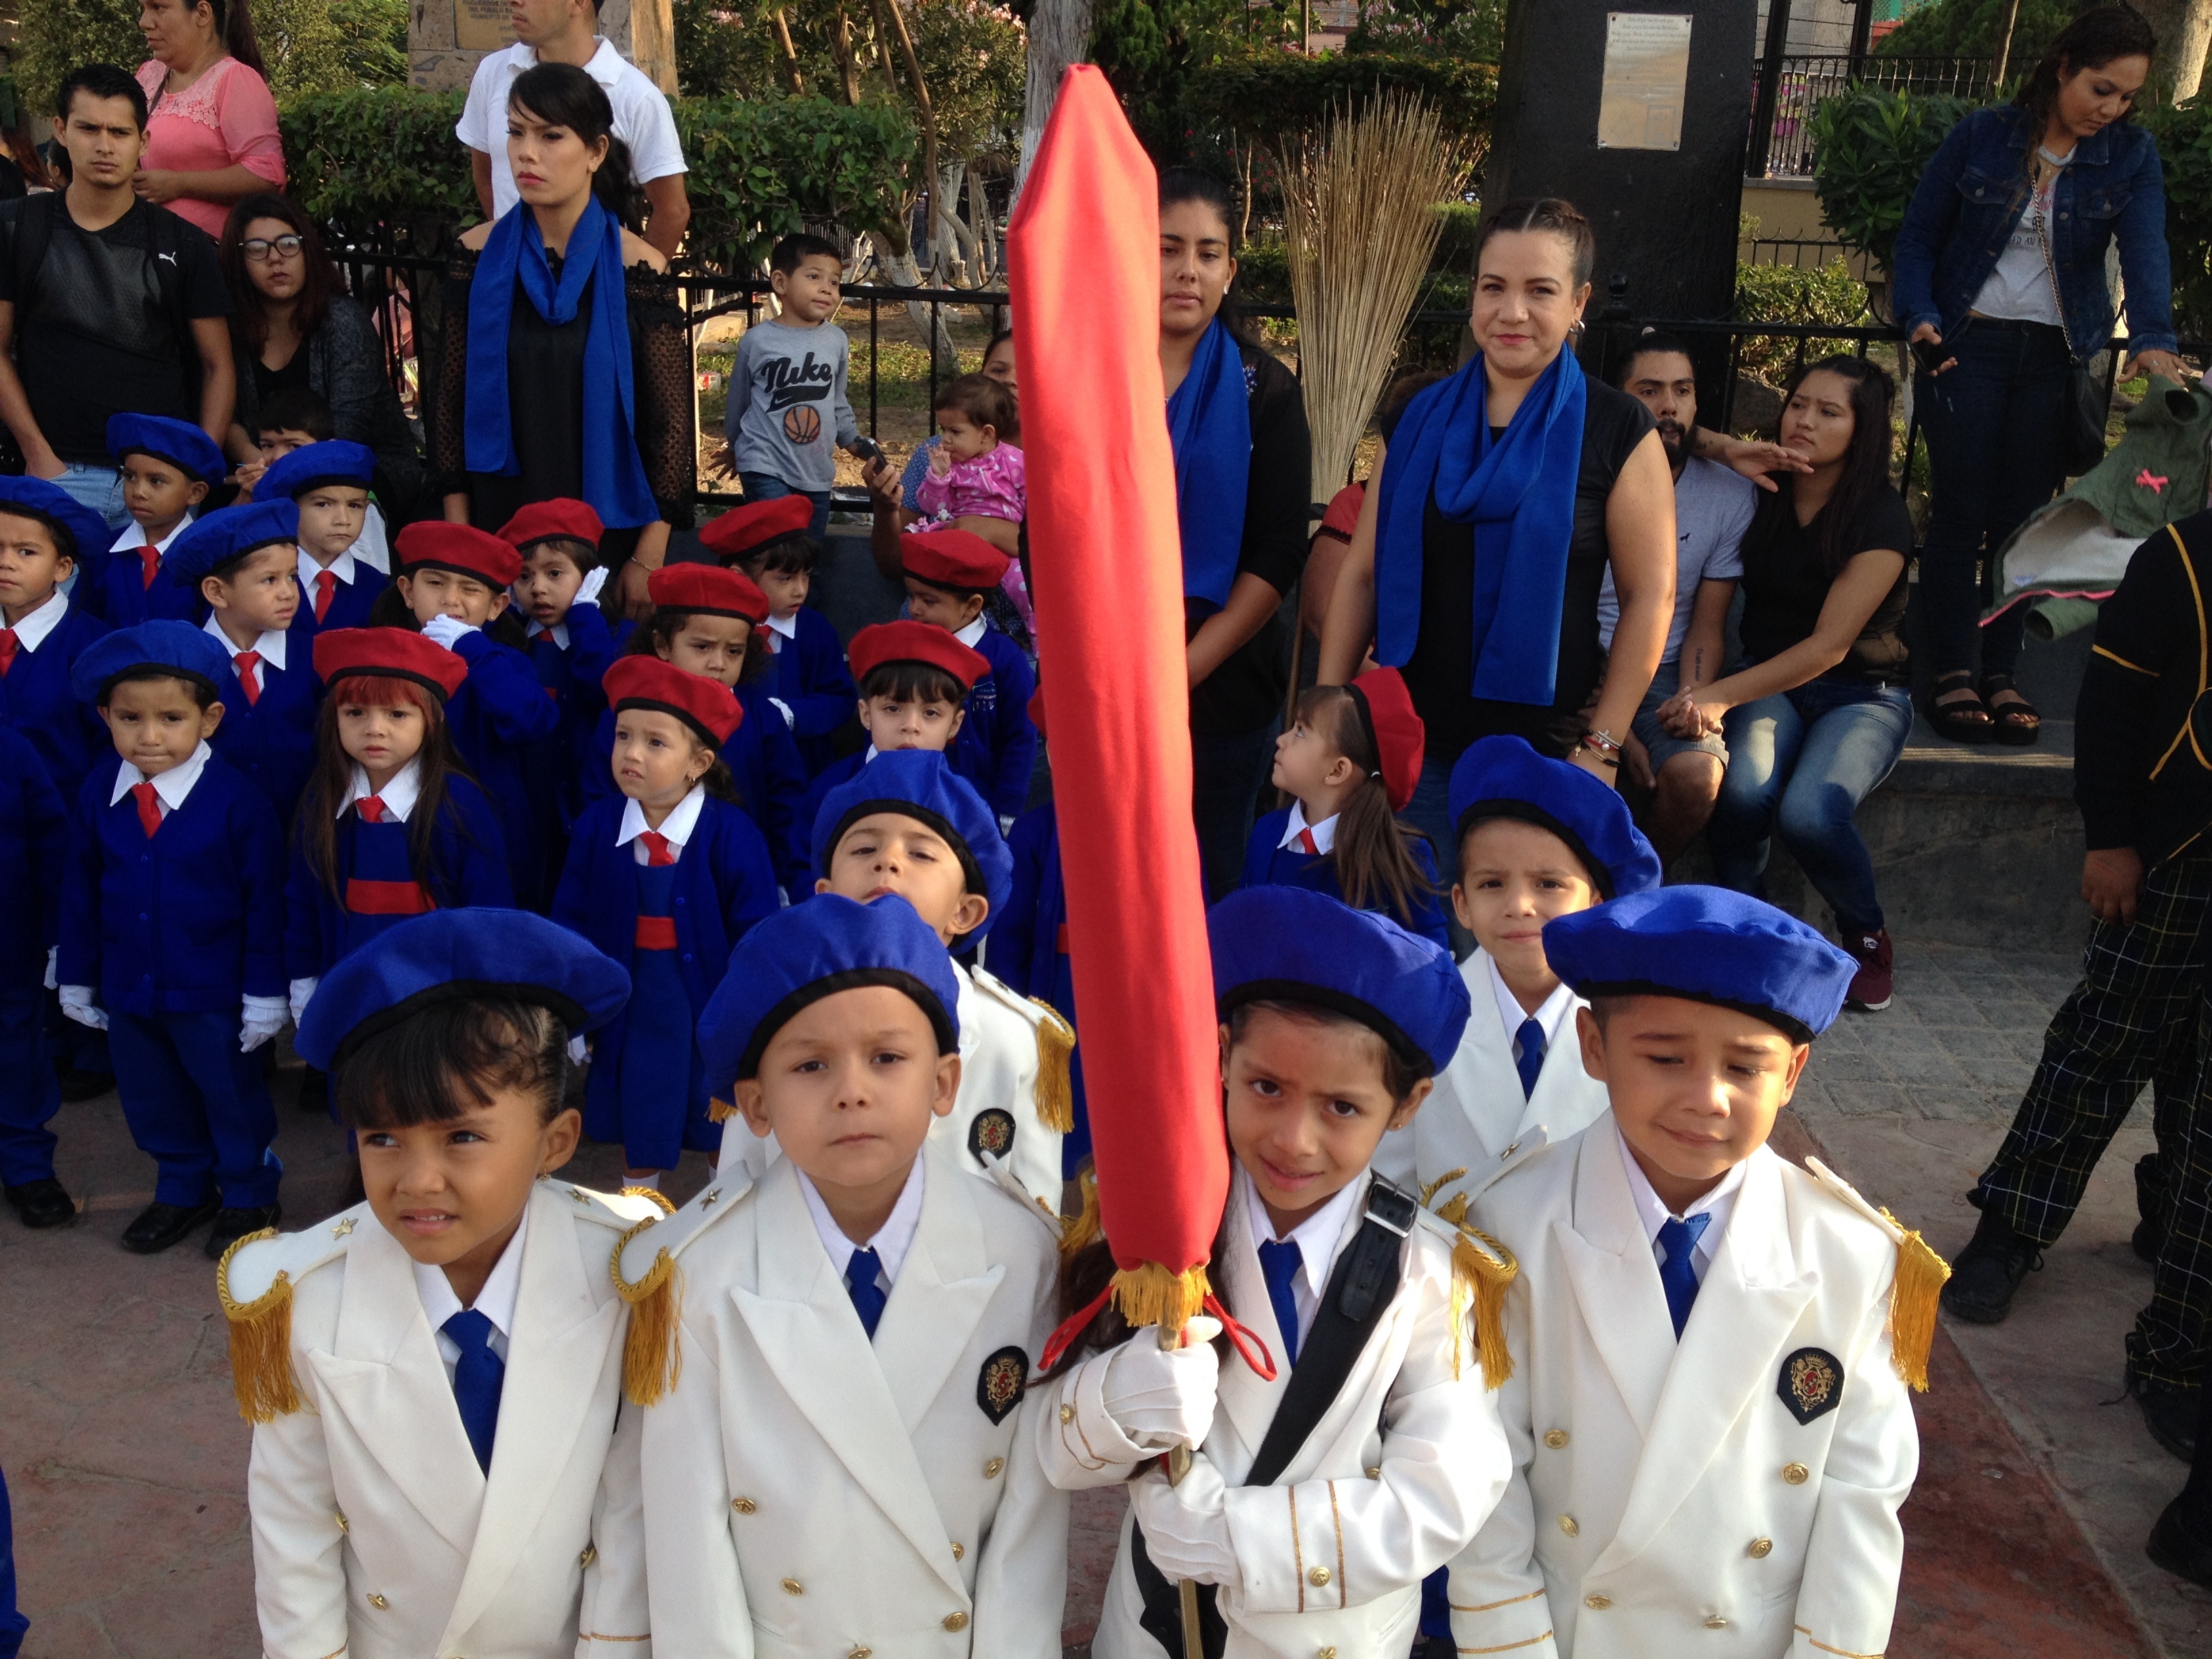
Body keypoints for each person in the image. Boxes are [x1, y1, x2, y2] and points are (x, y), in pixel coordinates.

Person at [1447, 886, 1933, 1658]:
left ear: (1795, 1073)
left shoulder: (1852, 1255)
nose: (1706, 1097)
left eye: (1746, 1066)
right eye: (1665, 1057)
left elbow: (1862, 1491)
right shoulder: (1513, 1227)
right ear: (1594, 1047)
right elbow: (1484, 1471)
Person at [1037, 884, 1512, 1658]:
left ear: (1407, 1104)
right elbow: (1051, 1446)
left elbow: (1446, 1487)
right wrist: (1116, 1398)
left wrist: (1243, 1542)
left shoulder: (1430, 1272)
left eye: (1341, 1108)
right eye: (1267, 1089)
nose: (1294, 1140)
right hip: (1157, 1631)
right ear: (1221, 1056)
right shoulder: (1155, 1233)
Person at [615, 892, 1069, 1652]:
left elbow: (1029, 1527)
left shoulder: (1022, 1253)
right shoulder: (693, 1272)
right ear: (755, 1106)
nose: (852, 1090)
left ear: (945, 1084)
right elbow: (687, 1534)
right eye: (811, 1065)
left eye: (887, 1058)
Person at [221, 909, 660, 1657]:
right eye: (383, 1138)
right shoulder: (301, 1294)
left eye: (463, 1137)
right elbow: (293, 1522)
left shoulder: (625, 1274)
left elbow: (633, 1509)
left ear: (555, 1142)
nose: (418, 1181)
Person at [1946, 502, 2212, 1459]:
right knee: (2108, 1038)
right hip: (2178, 850)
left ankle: (2175, 1234)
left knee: (2204, 1090)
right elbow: (2113, 708)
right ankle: (2015, 1223)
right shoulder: (2184, 554)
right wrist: (2111, 839)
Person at [1319, 198, 1675, 853]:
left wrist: (1602, 747)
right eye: (1493, 288)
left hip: (1546, 756)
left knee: (1518, 949)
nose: (1512, 313)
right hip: (1409, 746)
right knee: (1411, 941)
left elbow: (1650, 597)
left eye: (1540, 290)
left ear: (1579, 302)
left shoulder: (1617, 428)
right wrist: (1327, 717)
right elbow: (1363, 574)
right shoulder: (1417, 420)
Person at [1893, 4, 2187, 747]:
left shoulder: (2130, 155)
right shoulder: (1984, 136)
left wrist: (2153, 337)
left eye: (2125, 96)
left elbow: (2146, 248)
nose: (2110, 109)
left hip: (2056, 357)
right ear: (2062, 66)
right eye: (2099, 88)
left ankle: (2003, 672)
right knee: (1962, 512)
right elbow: (1920, 237)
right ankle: (1954, 671)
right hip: (1967, 346)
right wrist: (1919, 313)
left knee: (2027, 523)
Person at [1658, 356, 1915, 1012]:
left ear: (1863, 431)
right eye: (1798, 403)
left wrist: (1717, 696)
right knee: (1741, 791)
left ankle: (1865, 934)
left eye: (1829, 412)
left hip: (1862, 694)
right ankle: (1749, 919)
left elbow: (1830, 649)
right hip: (1768, 680)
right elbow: (1672, 433)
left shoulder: (1882, 521)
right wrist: (1735, 448)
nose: (1804, 420)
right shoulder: (1762, 487)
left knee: (1810, 810)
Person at [58, 621, 285, 1258]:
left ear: (209, 718)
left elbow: (266, 902)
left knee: (230, 1094)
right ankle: (183, 1187)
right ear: (105, 716)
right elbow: (80, 886)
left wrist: (266, 994)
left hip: (212, 990)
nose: (149, 736)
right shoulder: (101, 793)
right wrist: (76, 974)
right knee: (151, 1093)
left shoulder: (239, 802)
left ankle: (248, 1191)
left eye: (171, 718)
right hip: (131, 985)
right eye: (129, 717)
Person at [1373, 734, 1662, 1214]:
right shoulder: (1416, 1021)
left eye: (1548, 884)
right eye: (1492, 884)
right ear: (1461, 904)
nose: (1519, 907)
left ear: (1595, 905)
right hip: (1444, 1275)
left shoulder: (1633, 1028)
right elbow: (1389, 1179)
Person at [432, 63, 691, 588]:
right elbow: (448, 406)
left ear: (595, 151)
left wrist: (648, 556)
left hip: (607, 533)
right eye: (515, 132)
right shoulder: (474, 258)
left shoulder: (638, 270)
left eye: (551, 136)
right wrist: (461, 538)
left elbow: (670, 427)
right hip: (496, 526)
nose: (527, 153)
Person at [806, 748, 1071, 1212]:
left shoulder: (1012, 1038)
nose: (887, 862)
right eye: (865, 848)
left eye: (921, 853)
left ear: (965, 912)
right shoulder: (779, 1023)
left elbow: (1038, 1216)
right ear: (824, 896)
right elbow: (744, 1195)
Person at [1148, 169, 1314, 901]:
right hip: (1103, 680)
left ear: (1230, 271)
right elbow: (1047, 531)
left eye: (1209, 252)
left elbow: (1278, 550)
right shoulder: (1090, 379)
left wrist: (1178, 673)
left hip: (1220, 687)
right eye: (1168, 248)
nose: (1188, 269)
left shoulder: (1265, 390)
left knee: (1205, 891)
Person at [552, 656, 777, 1183]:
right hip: (632, 1007)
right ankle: (642, 1224)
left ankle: (721, 1212)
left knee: (718, 1113)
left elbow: (757, 935)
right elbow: (571, 922)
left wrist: (751, 1018)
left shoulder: (732, 834)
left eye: (655, 743)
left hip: (707, 1007)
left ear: (698, 762)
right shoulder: (596, 826)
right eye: (623, 736)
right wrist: (576, 1011)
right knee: (641, 1107)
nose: (631, 753)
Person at [283, 628, 514, 1105]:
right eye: (355, 713)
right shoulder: (321, 802)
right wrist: (306, 985)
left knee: (432, 1102)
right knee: (363, 1102)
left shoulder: (461, 805)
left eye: (396, 714)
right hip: (352, 993)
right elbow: (303, 903)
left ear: (432, 720)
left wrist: (482, 1004)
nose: (375, 728)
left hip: (436, 1000)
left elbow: (489, 915)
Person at [0, 64, 234, 526]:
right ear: (61, 131)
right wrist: (39, 458)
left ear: (143, 142)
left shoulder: (184, 243)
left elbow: (217, 365)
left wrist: (191, 472)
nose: (104, 145)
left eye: (120, 131)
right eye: (89, 128)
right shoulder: (17, 226)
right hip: (54, 476)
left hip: (160, 482)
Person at [1597, 333, 1755, 866]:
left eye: (1682, 391)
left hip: (1663, 666)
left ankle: (1634, 888)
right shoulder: (1584, 475)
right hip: (1578, 659)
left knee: (1697, 775)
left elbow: (1708, 623)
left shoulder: (1729, 495)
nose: (1669, 405)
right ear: (1618, 400)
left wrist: (1694, 698)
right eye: (1650, 390)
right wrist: (1604, 722)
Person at [589, 562, 811, 895]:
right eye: (702, 647)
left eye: (733, 651)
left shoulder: (764, 719)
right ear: (663, 646)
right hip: (636, 874)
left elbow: (789, 805)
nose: (718, 663)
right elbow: (598, 792)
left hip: (741, 878)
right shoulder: (625, 715)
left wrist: (781, 879)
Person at [219, 195, 424, 514]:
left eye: (288, 244)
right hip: (265, 469)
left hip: (361, 469)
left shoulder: (342, 320)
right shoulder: (232, 328)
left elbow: (347, 429)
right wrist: (261, 464)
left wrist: (282, 472)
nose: (275, 259)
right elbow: (230, 418)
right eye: (258, 249)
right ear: (239, 261)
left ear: (307, 251)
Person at [455, 0, 690, 258]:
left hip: (597, 278)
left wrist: (631, 281)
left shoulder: (636, 96)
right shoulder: (494, 72)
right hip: (510, 274)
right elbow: (485, 171)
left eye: (552, 135)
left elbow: (672, 210)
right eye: (516, 132)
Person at [1241, 666, 1452, 949]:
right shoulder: (1267, 832)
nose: (1281, 739)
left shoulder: (1402, 855)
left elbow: (1428, 956)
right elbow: (1244, 928)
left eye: (1300, 732)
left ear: (1338, 770)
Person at [167, 499, 314, 827]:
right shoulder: (180, 665)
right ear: (217, 592)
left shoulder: (316, 658)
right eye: (269, 580)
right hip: (211, 836)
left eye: (292, 576)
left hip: (304, 832)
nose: (288, 593)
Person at [500, 497, 618, 897]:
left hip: (581, 792)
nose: (539, 588)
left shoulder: (610, 636)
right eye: (524, 576)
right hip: (523, 795)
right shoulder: (508, 641)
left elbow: (602, 688)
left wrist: (585, 616)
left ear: (589, 578)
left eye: (554, 574)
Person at [993, 687, 1088, 1175]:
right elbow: (1009, 936)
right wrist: (1012, 1011)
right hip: (1055, 995)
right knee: (1053, 1116)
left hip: (1126, 1004)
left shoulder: (1162, 829)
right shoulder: (1035, 831)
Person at [720, 232, 864, 543]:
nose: (827, 288)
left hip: (816, 471)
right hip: (764, 463)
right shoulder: (757, 341)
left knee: (806, 557)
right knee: (778, 549)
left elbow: (836, 399)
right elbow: (739, 401)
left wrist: (852, 440)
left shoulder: (836, 340)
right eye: (814, 277)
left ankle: (801, 593)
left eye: (835, 282)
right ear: (781, 283)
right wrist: (736, 446)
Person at [699, 494, 855, 775]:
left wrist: (793, 715)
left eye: (806, 576)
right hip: (729, 766)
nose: (800, 590)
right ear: (739, 576)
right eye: (785, 579)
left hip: (801, 766)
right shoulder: (714, 628)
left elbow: (840, 698)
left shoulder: (815, 630)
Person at [0, 478, 116, 850]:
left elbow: (108, 753)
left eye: (26, 552)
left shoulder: (96, 647)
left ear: (63, 568)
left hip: (61, 837)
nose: (5, 563)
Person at [798, 619, 987, 839]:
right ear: (866, 714)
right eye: (893, 709)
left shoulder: (969, 800)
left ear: (955, 724)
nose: (910, 726)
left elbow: (988, 870)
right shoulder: (828, 789)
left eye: (931, 713)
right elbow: (803, 864)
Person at [900, 527, 1038, 827]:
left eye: (929, 600)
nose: (915, 609)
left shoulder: (1005, 659)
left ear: (973, 606)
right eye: (911, 597)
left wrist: (1007, 810)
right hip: (913, 800)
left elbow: (1021, 737)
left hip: (981, 809)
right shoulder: (904, 651)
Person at [131, 0, 283, 239]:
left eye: (158, 7)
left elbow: (267, 176)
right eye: (143, 9)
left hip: (209, 256)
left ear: (202, 14)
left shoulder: (235, 80)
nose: (144, 22)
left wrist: (179, 184)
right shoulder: (149, 75)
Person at [0, 726, 69, 1230]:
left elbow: (50, 842)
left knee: (15, 1047)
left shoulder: (11, 748)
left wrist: (53, 933)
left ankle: (26, 1165)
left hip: (8, 936)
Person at [92, 413, 222, 628]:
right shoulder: (104, 553)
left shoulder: (210, 560)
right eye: (130, 477)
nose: (139, 492)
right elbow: (88, 621)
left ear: (196, 493)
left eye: (156, 481)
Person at [255, 440, 388, 648]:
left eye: (355, 505)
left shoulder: (377, 587)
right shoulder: (260, 581)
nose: (343, 519)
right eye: (324, 504)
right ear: (291, 509)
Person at [916, 372, 1026, 531]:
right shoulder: (950, 467)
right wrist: (938, 479)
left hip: (1004, 540)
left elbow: (1034, 502)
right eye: (943, 429)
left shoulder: (1013, 460)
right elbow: (934, 508)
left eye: (955, 431)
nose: (945, 439)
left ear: (986, 434)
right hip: (961, 536)